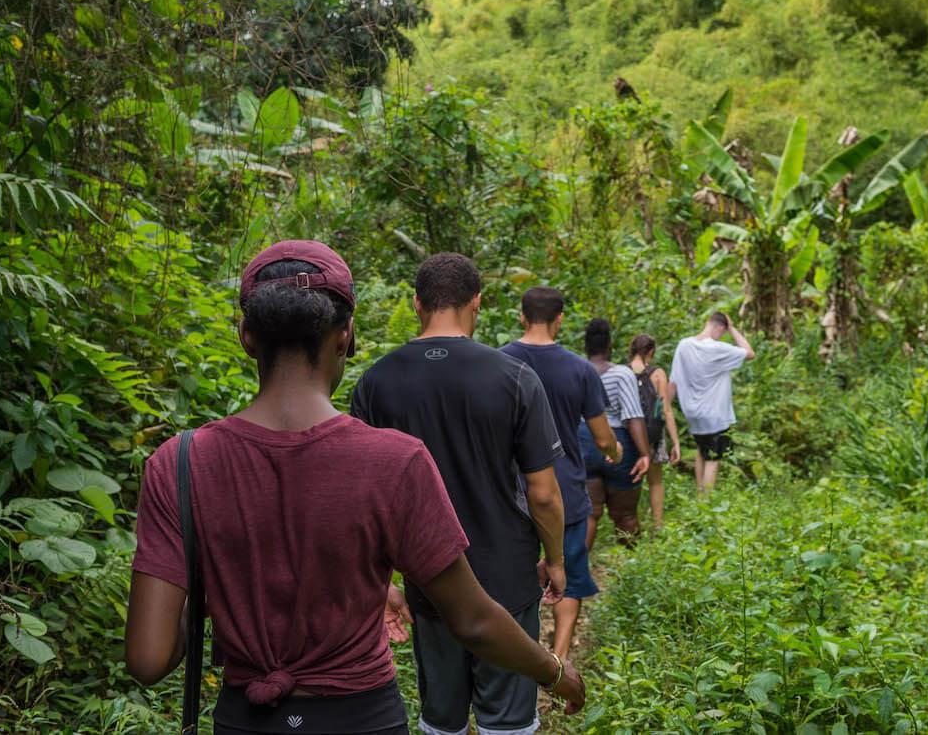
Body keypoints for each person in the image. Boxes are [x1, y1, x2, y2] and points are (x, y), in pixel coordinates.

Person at [125, 241, 584, 735]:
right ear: (345, 336)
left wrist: (217, 579)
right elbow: (473, 621)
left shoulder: (181, 462)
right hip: (362, 717)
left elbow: (149, 659)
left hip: (245, 720)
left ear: (246, 336)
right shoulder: (394, 461)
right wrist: (557, 673)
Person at [349, 253, 570, 735]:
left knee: (441, 719)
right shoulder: (514, 378)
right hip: (507, 574)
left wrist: (382, 581)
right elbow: (544, 493)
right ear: (477, 303)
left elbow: (362, 498)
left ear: (416, 304)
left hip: (430, 579)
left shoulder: (376, 382)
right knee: (509, 721)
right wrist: (555, 558)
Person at [500, 286, 619, 663]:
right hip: (564, 486)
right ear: (560, 320)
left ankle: (517, 654)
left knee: (514, 577)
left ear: (521, 316)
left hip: (511, 490)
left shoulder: (497, 361)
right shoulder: (580, 370)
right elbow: (602, 437)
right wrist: (614, 451)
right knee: (568, 574)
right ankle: (559, 659)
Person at [578, 318, 650, 549]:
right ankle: (632, 569)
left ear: (586, 346)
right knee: (626, 514)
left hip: (584, 442)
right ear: (609, 345)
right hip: (619, 441)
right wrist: (644, 454)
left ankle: (577, 575)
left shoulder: (576, 369)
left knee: (589, 514)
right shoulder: (622, 374)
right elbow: (633, 416)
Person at [669, 311, 755, 496]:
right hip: (715, 415)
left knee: (702, 451)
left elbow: (673, 380)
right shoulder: (717, 348)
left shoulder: (684, 345)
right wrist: (733, 330)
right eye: (723, 332)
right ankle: (706, 502)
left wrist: (665, 406)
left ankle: (700, 498)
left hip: (692, 413)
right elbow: (749, 353)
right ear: (721, 328)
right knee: (713, 459)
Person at [627, 334, 682, 529]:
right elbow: (665, 410)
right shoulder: (658, 373)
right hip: (652, 434)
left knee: (629, 480)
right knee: (655, 481)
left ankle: (629, 524)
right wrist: (675, 442)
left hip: (628, 433)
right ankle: (658, 525)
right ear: (651, 352)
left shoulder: (622, 372)